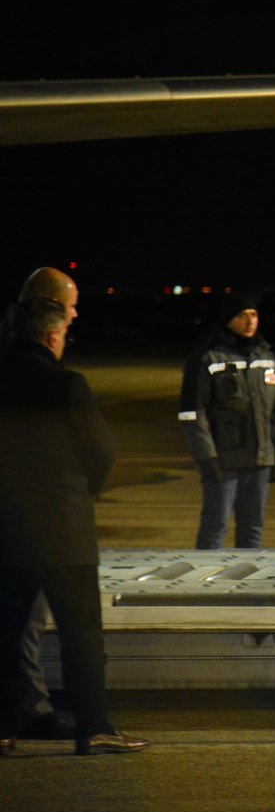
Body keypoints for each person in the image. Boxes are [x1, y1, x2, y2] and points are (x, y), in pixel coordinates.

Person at [0, 298, 147, 755]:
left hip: (7, 527)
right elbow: (101, 449)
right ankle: (94, 726)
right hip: (63, 528)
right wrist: (83, 492)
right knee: (80, 632)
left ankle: (4, 728)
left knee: (6, 630)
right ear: (51, 336)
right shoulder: (66, 384)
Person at [0, 267, 81, 741]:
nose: (75, 315)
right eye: (70, 305)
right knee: (23, 616)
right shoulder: (28, 360)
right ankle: (27, 708)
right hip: (26, 511)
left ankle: (24, 705)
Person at [178, 293, 275, 550]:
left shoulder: (266, 357)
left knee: (253, 527)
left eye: (253, 314)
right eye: (242, 315)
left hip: (260, 459)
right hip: (224, 459)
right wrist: (206, 457)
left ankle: (247, 575)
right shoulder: (207, 357)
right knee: (215, 525)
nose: (249, 321)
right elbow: (192, 413)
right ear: (228, 319)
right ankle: (207, 575)